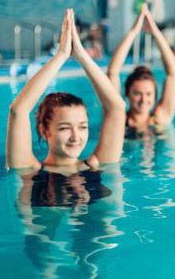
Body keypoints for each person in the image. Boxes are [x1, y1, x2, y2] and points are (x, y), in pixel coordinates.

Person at [7, 9, 126, 182]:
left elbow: (117, 108)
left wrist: (82, 56)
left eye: (83, 127)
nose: (76, 137)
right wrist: (61, 55)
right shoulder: (28, 171)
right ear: (43, 130)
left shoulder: (99, 165)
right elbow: (18, 110)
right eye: (64, 128)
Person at [107, 3, 175, 136]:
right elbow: (112, 72)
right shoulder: (119, 119)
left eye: (148, 94)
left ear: (155, 95)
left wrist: (155, 31)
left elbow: (173, 74)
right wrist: (134, 31)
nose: (143, 100)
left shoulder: (160, 118)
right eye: (137, 93)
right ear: (127, 94)